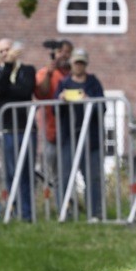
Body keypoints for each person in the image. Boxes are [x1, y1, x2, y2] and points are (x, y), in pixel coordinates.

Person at [0, 39, 37, 220]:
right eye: (1, 52)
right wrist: (8, 66)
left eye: (7, 50)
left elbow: (24, 92)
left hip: (27, 128)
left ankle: (27, 213)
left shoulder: (28, 70)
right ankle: (14, 210)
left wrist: (6, 90)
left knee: (26, 171)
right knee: (10, 172)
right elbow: (0, 87)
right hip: (8, 129)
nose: (5, 54)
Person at [54, 48, 105, 221]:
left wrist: (88, 99)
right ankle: (65, 212)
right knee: (65, 175)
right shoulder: (63, 83)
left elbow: (102, 107)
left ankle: (95, 213)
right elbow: (54, 110)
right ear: (71, 64)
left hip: (91, 139)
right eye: (76, 62)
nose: (79, 66)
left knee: (92, 176)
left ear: (86, 64)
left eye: (82, 62)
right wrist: (60, 100)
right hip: (69, 137)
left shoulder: (94, 82)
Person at [34, 39, 73, 197]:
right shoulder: (45, 72)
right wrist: (49, 74)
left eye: (67, 52)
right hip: (53, 132)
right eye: (60, 52)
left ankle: (72, 205)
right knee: (55, 172)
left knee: (70, 171)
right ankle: (61, 207)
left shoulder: (74, 73)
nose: (63, 55)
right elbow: (41, 93)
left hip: (72, 130)